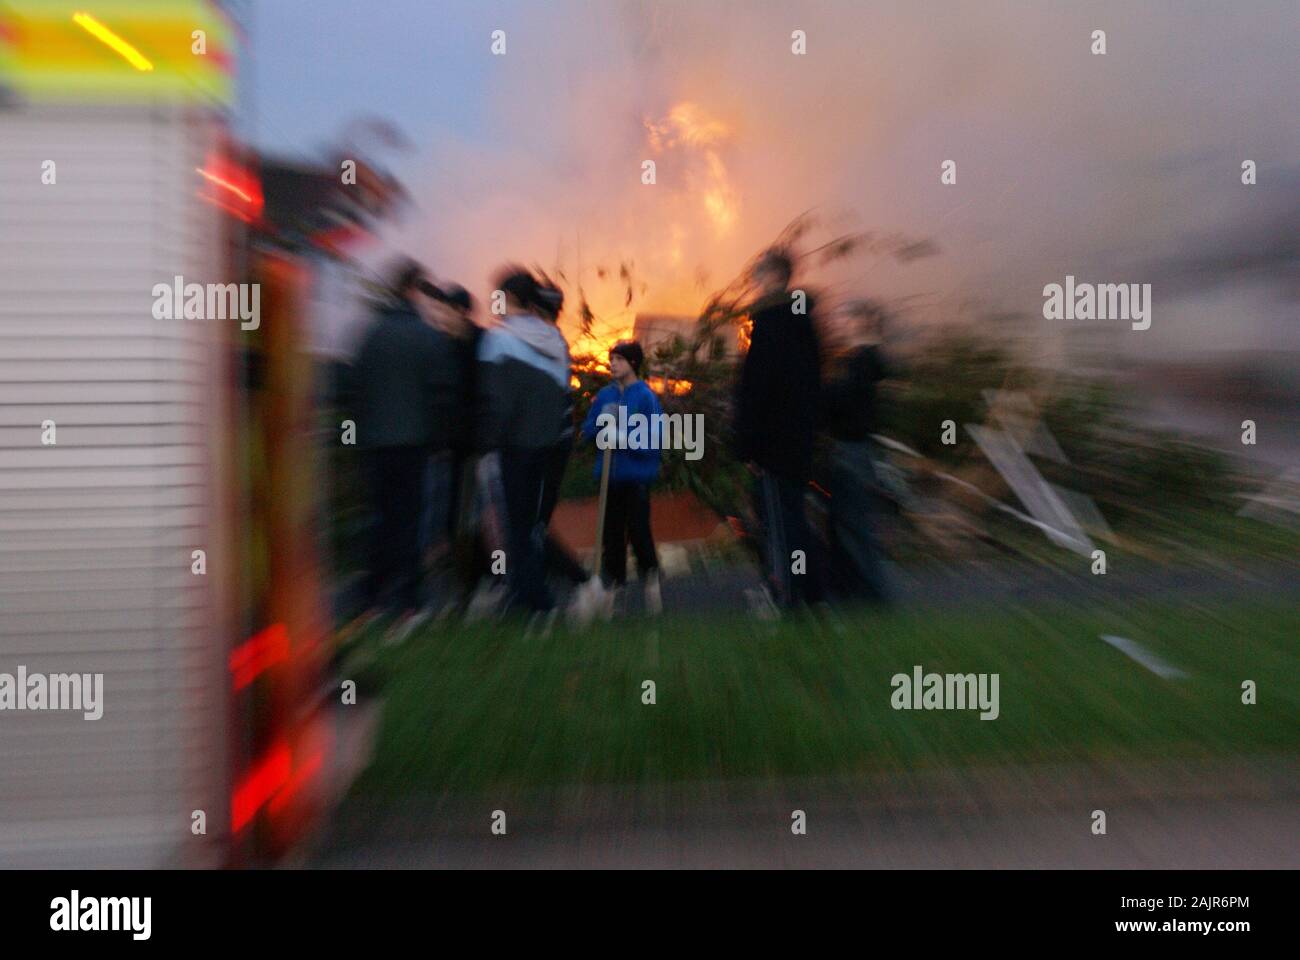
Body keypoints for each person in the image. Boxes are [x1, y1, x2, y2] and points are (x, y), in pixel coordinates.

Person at [350, 259, 458, 628]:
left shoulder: (371, 334)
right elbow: (442, 394)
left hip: (374, 443)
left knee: (380, 519)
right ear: (413, 290)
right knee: (410, 522)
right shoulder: (427, 337)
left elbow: (353, 387)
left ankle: (374, 598)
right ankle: (408, 601)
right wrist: (440, 440)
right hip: (414, 444)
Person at [474, 267, 571, 618]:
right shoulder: (557, 341)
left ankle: (532, 597)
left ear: (508, 299)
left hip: (512, 447)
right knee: (530, 523)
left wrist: (487, 443)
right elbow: (559, 395)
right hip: (545, 445)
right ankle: (529, 591)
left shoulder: (497, 340)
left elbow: (494, 401)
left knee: (513, 524)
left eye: (496, 296)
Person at [733, 248, 823, 611]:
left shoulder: (771, 323)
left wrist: (748, 445)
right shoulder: (806, 327)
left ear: (772, 276)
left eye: (758, 273)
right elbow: (811, 387)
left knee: (777, 524)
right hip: (799, 442)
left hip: (772, 444)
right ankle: (811, 589)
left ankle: (785, 594)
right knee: (795, 517)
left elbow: (757, 389)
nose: (754, 280)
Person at [820, 299, 894, 604]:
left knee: (852, 520)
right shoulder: (868, 363)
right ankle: (850, 586)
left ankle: (870, 591)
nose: (844, 326)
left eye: (849, 320)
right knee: (846, 520)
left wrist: (817, 393)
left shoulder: (860, 363)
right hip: (856, 448)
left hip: (849, 449)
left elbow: (842, 400)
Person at [581, 340, 663, 614]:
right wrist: (599, 427)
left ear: (633, 363)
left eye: (620, 359)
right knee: (611, 532)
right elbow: (588, 428)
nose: (613, 363)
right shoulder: (605, 396)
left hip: (636, 476)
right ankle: (615, 584)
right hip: (609, 476)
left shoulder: (646, 397)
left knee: (639, 529)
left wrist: (624, 438)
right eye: (612, 359)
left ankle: (650, 577)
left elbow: (654, 439)